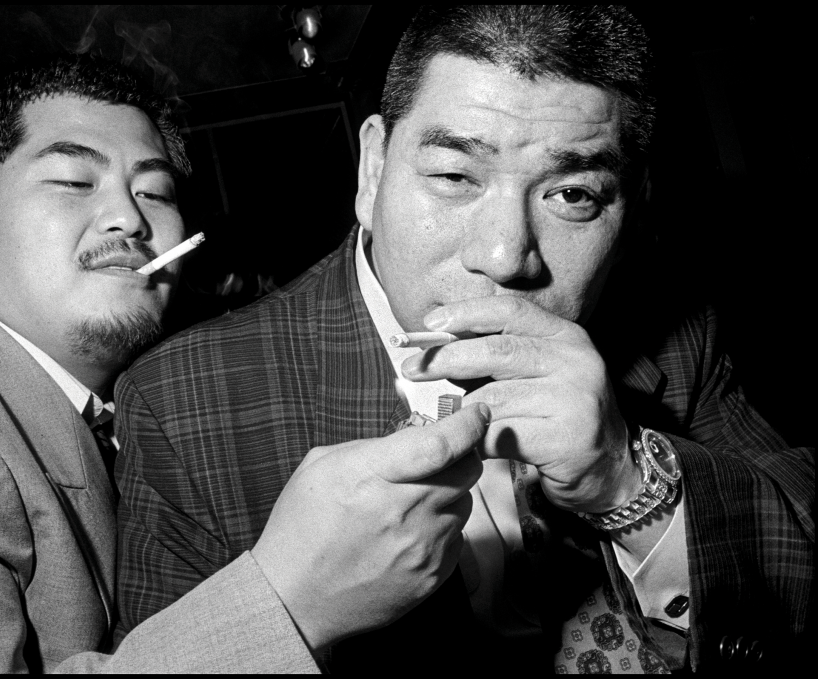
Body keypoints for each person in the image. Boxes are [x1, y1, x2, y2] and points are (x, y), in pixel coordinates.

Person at [114, 6, 813, 673]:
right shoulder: (178, 401)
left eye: (572, 194)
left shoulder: (677, 332)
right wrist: (293, 610)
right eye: (454, 176)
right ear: (373, 170)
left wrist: (625, 481)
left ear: (629, 212)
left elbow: (797, 548)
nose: (505, 257)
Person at [0, 57, 489, 672]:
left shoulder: (139, 409)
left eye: (155, 192)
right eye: (74, 180)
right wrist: (290, 600)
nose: (129, 218)